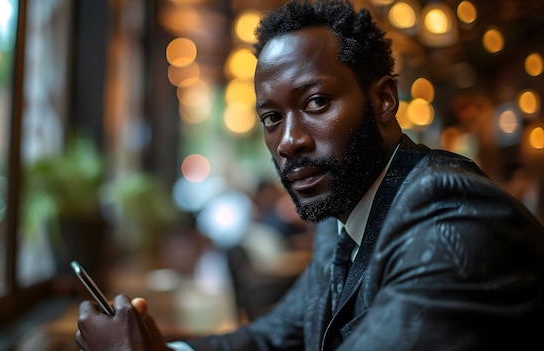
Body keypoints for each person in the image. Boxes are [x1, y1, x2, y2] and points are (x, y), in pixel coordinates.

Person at [75, 0, 544, 350]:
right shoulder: (341, 214)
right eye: (272, 118)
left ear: (383, 100)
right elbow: (276, 336)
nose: (288, 141)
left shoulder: (450, 213)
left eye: (316, 102)